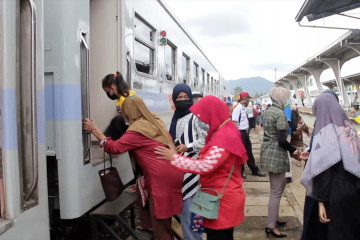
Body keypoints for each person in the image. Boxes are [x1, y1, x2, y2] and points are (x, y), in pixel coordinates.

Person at [83, 96, 183, 240]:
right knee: (161, 214)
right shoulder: (155, 121)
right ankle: (148, 225)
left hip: (160, 179)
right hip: (172, 173)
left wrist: (95, 130)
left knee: (160, 225)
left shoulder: (137, 130)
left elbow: (114, 148)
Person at [155, 95, 247, 240]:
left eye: (203, 116)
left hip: (221, 201)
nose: (202, 120)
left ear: (213, 113)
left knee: (217, 236)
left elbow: (205, 165)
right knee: (211, 231)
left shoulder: (224, 137)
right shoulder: (223, 130)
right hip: (215, 197)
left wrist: (174, 158)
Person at [300, 91, 360, 240]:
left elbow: (326, 169)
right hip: (353, 190)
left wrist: (321, 201)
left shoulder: (327, 132)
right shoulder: (348, 128)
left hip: (334, 194)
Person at [260, 87, 301, 238]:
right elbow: (282, 140)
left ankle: (274, 216)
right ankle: (271, 226)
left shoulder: (268, 111)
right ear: (281, 98)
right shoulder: (280, 114)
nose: (289, 100)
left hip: (267, 152)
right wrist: (295, 151)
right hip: (276, 154)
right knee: (276, 192)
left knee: (279, 185)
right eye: (287, 97)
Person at [169, 84, 206, 240]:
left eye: (186, 97)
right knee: (191, 212)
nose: (182, 100)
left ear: (190, 98)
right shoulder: (176, 117)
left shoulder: (196, 116)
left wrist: (188, 147)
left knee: (191, 211)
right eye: (179, 97)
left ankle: (194, 237)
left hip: (194, 172)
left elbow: (205, 140)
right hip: (180, 170)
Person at [232, 92, 266, 179]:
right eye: (247, 98)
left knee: (249, 152)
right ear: (243, 99)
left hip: (245, 133)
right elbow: (234, 122)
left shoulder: (244, 108)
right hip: (240, 133)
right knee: (241, 153)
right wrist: (236, 136)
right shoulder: (237, 109)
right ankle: (240, 172)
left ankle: (254, 170)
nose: (248, 100)